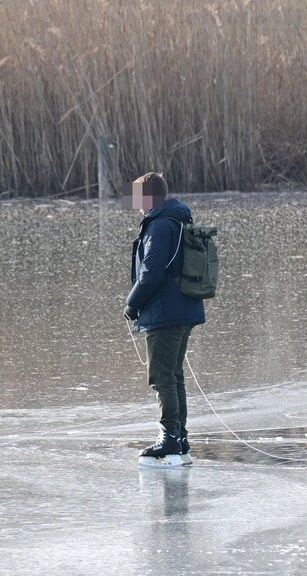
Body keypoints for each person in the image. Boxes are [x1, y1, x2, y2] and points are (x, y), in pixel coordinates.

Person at [123, 172, 205, 460]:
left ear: (147, 197)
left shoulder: (159, 225)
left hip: (166, 313)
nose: (135, 203)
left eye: (136, 197)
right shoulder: (178, 220)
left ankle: (170, 437)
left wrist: (132, 304)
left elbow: (151, 273)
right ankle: (179, 437)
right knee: (174, 375)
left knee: (161, 376)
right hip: (184, 308)